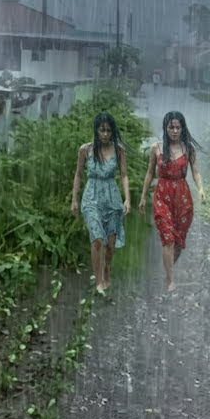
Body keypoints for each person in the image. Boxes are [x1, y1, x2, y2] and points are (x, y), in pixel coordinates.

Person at [139, 110, 206, 292]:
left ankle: (167, 269)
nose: (174, 131)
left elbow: (196, 172)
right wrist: (143, 197)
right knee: (167, 237)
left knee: (178, 241)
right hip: (162, 196)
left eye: (178, 127)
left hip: (183, 198)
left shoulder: (188, 149)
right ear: (165, 128)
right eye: (171, 127)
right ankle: (170, 280)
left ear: (182, 128)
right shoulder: (156, 148)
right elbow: (150, 173)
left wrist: (201, 189)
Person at [71, 112, 132, 295]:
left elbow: (124, 175)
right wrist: (74, 199)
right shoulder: (86, 150)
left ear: (113, 132)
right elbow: (78, 174)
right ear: (96, 130)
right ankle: (98, 281)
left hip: (112, 198)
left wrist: (127, 198)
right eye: (102, 130)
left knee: (110, 244)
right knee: (97, 239)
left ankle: (106, 268)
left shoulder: (119, 150)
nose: (105, 134)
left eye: (108, 130)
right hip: (91, 197)